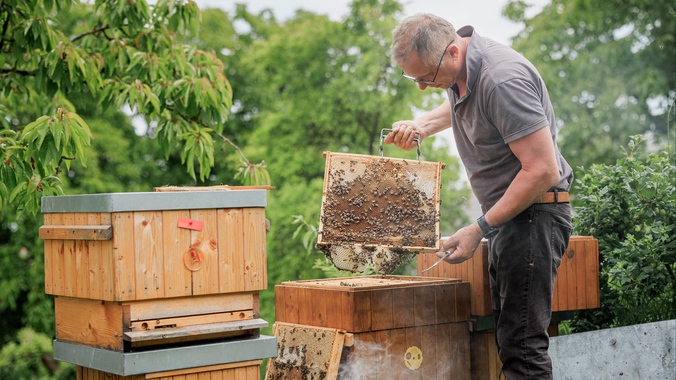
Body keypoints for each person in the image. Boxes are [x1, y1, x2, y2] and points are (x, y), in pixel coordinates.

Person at [385, 13, 574, 380]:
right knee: (510, 341)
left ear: (452, 51)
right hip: (513, 220)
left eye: (425, 77)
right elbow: (454, 103)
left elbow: (542, 170)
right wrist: (419, 124)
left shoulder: (501, 80)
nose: (423, 87)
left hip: (534, 218)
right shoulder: (462, 72)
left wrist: (478, 228)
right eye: (415, 78)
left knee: (522, 351)